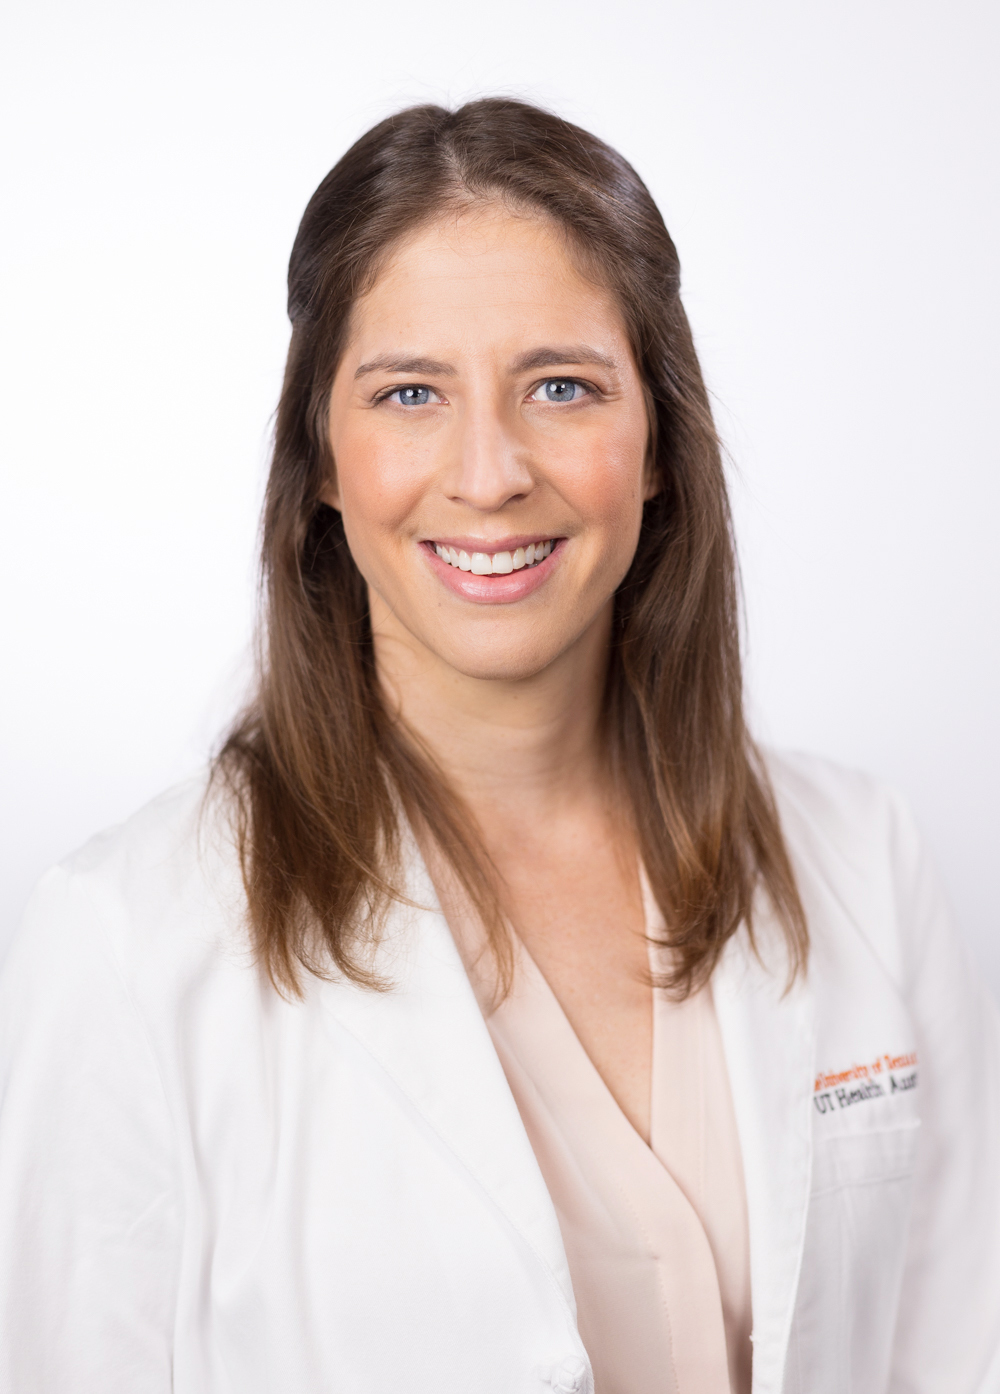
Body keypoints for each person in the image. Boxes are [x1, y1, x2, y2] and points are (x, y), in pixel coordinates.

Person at [1, 98, 998, 1394]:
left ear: (655, 446)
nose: (488, 472)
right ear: (321, 456)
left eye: (562, 386)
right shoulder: (123, 945)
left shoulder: (866, 858)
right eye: (410, 391)